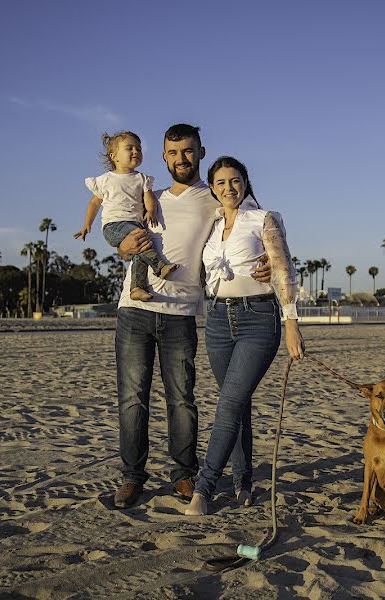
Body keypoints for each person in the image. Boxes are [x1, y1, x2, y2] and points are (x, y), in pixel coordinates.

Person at [110, 125, 271, 509]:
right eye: (172, 153)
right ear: (163, 157)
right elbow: (123, 237)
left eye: (187, 151)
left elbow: (252, 225)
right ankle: (133, 477)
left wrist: (266, 261)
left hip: (181, 313)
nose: (180, 159)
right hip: (134, 310)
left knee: (182, 400)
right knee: (132, 400)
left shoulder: (214, 195)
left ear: (200, 152)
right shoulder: (151, 196)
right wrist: (122, 246)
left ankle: (184, 474)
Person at [185, 156, 304, 516]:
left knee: (229, 404)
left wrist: (291, 322)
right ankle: (243, 483)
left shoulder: (263, 219)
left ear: (245, 182)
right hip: (218, 320)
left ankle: (204, 489)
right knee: (237, 405)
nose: (228, 188)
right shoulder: (210, 224)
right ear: (212, 188)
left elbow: (282, 269)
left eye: (234, 180)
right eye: (220, 183)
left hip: (258, 318)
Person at [74, 131, 178, 302]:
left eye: (139, 149)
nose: (136, 151)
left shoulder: (141, 178)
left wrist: (151, 211)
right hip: (113, 226)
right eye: (129, 148)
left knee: (139, 252)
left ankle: (137, 288)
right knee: (140, 238)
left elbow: (148, 198)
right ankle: (159, 267)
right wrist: (87, 224)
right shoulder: (105, 180)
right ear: (114, 156)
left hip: (134, 224)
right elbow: (94, 203)